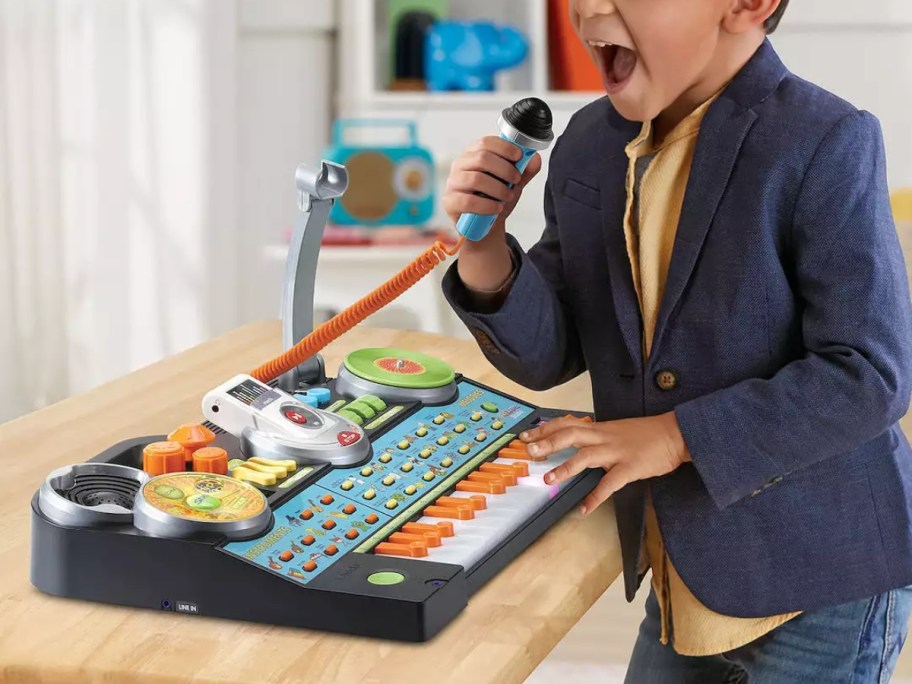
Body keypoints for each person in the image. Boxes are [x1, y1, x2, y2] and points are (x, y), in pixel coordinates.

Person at [441, 0, 912, 681]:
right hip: (684, 568)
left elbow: (869, 374)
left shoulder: (824, 137)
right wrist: (483, 249)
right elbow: (551, 351)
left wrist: (670, 435)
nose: (592, 7)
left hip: (821, 582)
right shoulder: (589, 144)